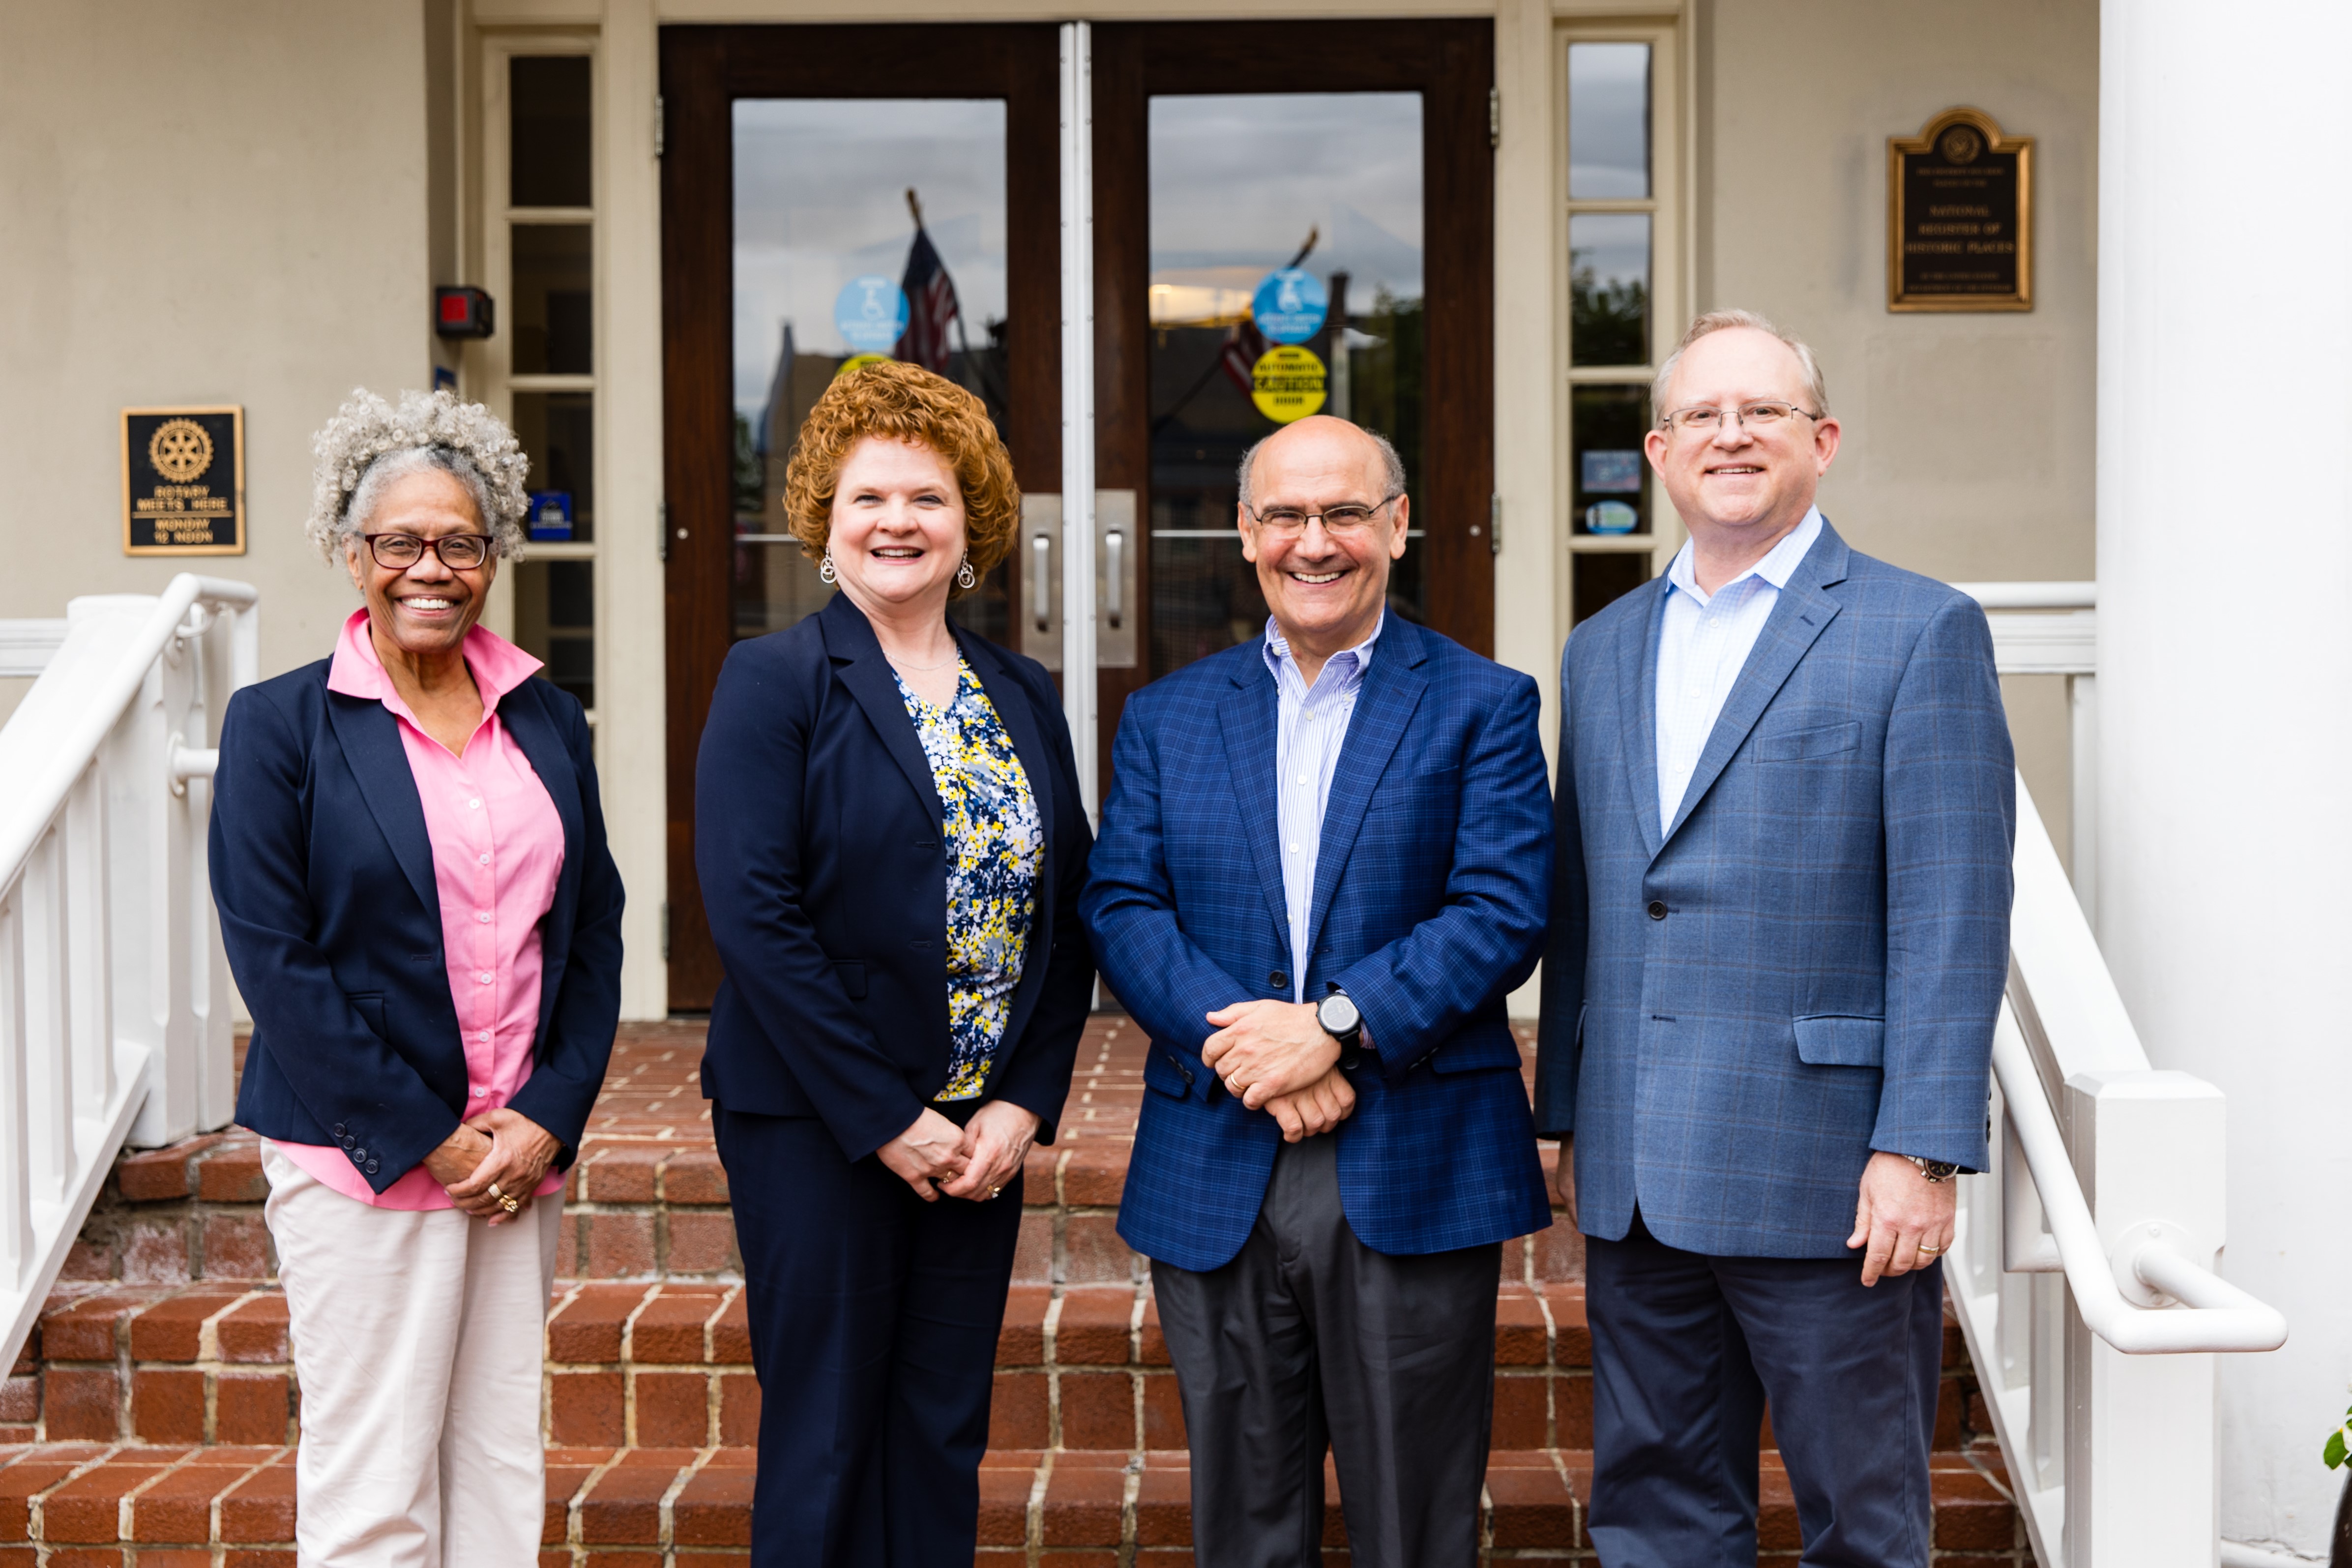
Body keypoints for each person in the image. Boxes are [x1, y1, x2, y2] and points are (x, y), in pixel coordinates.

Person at [1534, 310, 2015, 1567]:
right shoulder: (1600, 649)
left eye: (1763, 411)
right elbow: (1588, 905)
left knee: (1862, 1521)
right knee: (1657, 1513)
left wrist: (1919, 1143)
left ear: (1824, 439)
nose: (1731, 434)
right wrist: (1572, 1113)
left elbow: (1952, 910)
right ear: (1656, 448)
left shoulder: (1918, 630)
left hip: (1827, 1174)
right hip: (1637, 1169)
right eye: (1701, 413)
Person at [1083, 414, 1554, 1568]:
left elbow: (1501, 910)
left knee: (1414, 1519)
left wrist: (1333, 1028)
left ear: (1396, 525)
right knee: (1245, 1520)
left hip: (1415, 1155)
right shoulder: (1166, 714)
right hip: (1218, 1154)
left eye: (1344, 512)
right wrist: (1256, 1052)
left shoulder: (1482, 703)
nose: (1315, 541)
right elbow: (1122, 906)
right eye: (1286, 515)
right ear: (1246, 534)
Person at [210, 388, 625, 1565]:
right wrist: (432, 1135)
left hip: (514, 1163)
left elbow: (593, 927)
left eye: (458, 540)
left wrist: (546, 1117)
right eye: (399, 541)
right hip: (367, 1162)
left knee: (498, 1462)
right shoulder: (279, 724)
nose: (428, 567)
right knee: (374, 1483)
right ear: (353, 553)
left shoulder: (545, 714)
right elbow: (274, 961)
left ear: (493, 554)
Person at [695, 360, 1095, 1567]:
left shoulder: (1021, 692)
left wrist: (1023, 1100)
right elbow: (755, 916)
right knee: (823, 1436)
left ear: (969, 524)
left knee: (938, 1427)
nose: (897, 523)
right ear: (826, 518)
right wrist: (886, 1117)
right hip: (819, 1124)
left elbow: (1068, 916)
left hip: (979, 1138)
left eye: (927, 497)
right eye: (870, 497)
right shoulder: (774, 681)